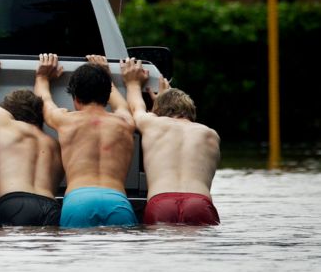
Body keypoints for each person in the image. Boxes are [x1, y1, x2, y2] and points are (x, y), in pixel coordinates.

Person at [34, 53, 138, 228]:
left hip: (78, 201)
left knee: (77, 255)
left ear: (75, 97)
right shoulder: (125, 122)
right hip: (117, 202)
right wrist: (105, 74)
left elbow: (44, 101)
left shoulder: (65, 120)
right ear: (107, 96)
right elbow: (121, 105)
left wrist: (42, 77)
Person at [121, 57, 221, 225]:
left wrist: (132, 83)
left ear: (157, 111)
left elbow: (136, 107)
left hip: (162, 202)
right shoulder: (210, 134)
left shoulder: (153, 124)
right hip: (199, 203)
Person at [0, 51, 63, 225]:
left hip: (15, 202)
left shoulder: (8, 125)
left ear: (9, 112)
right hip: (51, 206)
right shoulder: (55, 145)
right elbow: (46, 101)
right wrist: (42, 79)